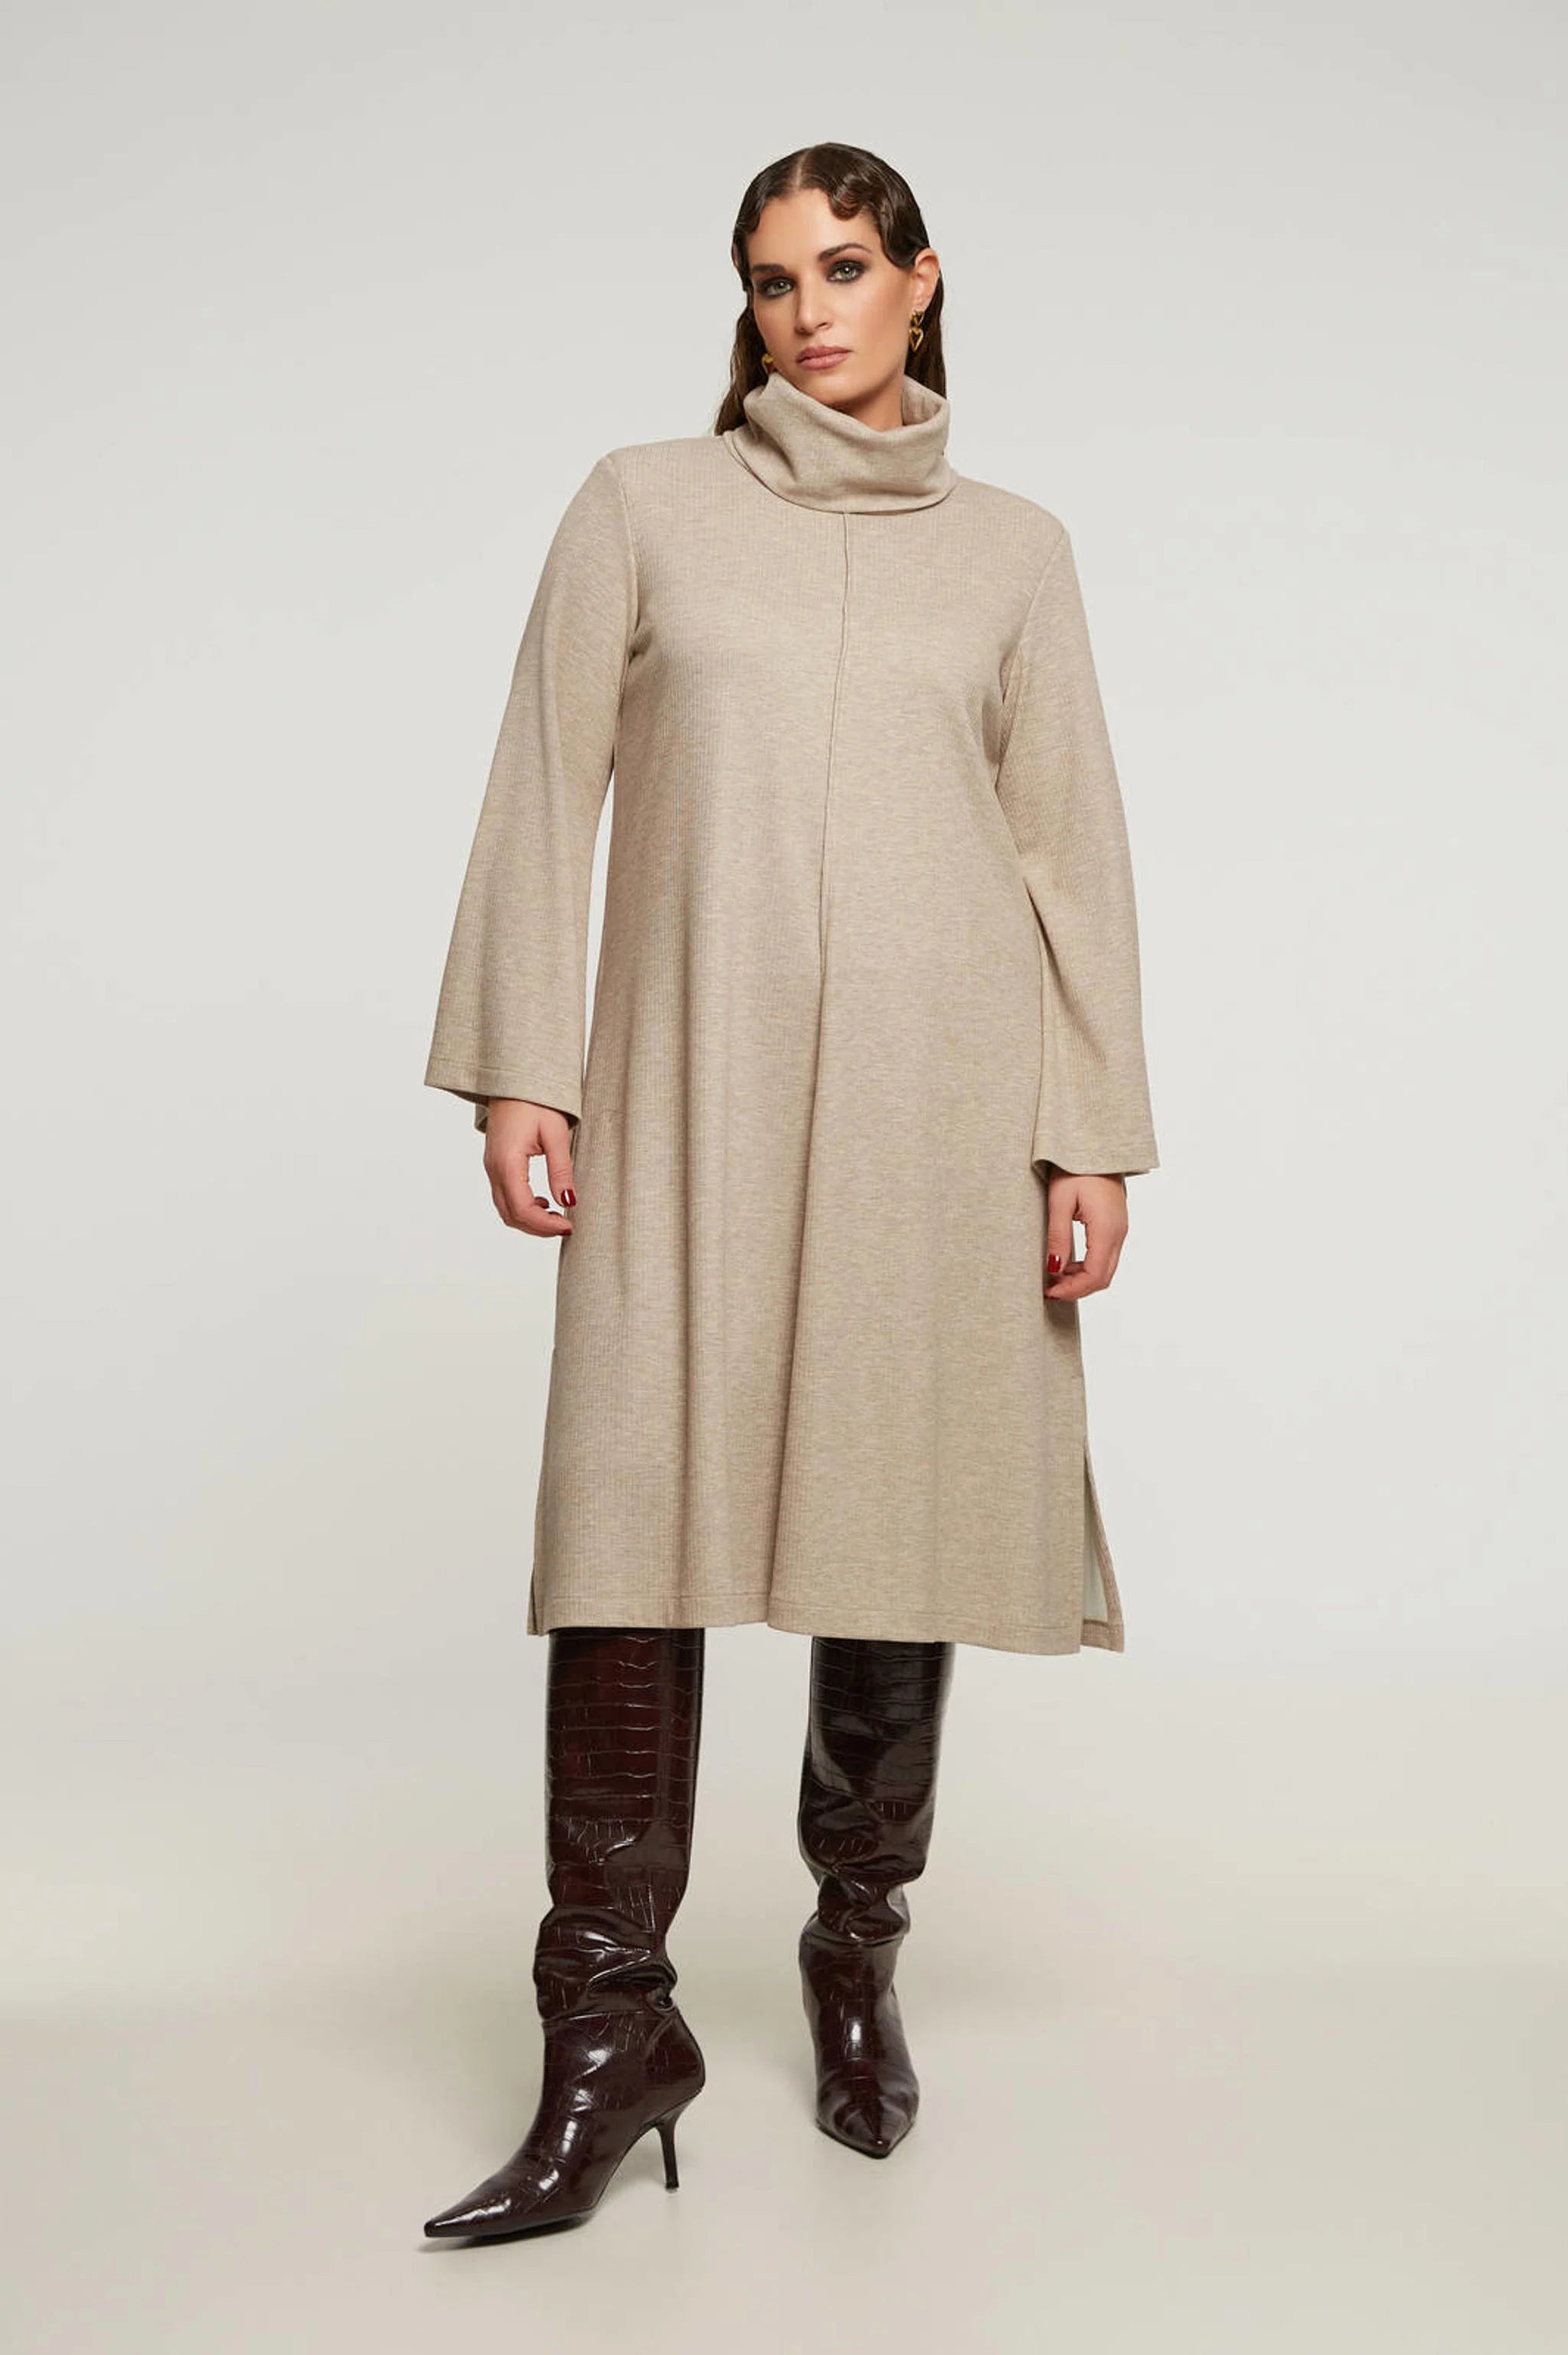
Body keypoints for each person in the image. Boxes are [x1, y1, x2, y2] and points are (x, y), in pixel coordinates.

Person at [419, 142, 1158, 2242]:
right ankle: (605, 2027)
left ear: (922, 280)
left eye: (843, 267)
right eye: (771, 279)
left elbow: (1071, 844)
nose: (808, 309)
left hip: (942, 1097)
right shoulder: (643, 505)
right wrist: (523, 1062)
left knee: (891, 1512)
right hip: (689, 1080)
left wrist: (1090, 1127)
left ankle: (855, 1950)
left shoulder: (1014, 552)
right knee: (628, 1517)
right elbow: (542, 781)